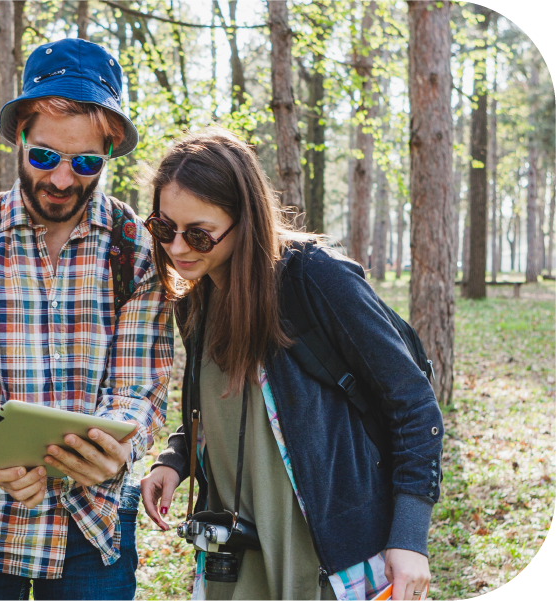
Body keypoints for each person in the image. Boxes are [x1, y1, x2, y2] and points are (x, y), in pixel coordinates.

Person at [139, 128, 444, 601]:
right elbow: (230, 405)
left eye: (198, 233)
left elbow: (414, 405)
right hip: (235, 561)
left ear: (246, 219)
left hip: (327, 557)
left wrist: (410, 536)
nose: (177, 249)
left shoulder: (314, 278)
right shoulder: (194, 299)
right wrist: (177, 459)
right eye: (163, 229)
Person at [0, 38, 174, 600]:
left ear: (109, 149)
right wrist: (2, 448)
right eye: (43, 156)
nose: (61, 179)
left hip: (94, 521)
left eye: (85, 162)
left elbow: (142, 386)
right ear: (19, 136)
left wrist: (118, 448)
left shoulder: (137, 249)